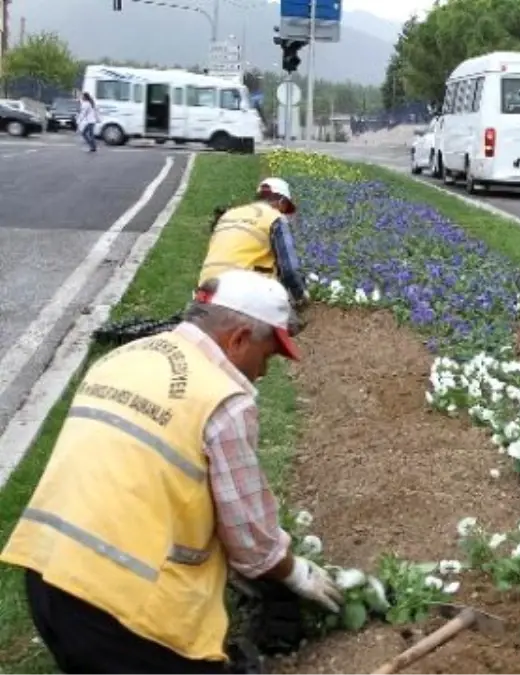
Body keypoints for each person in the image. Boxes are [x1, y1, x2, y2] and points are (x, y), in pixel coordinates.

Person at [0, 270, 343, 675]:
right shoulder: (221, 398)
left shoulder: (122, 358)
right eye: (266, 356)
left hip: (45, 583)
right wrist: (298, 574)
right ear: (238, 340)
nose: (263, 372)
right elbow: (252, 540)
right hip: (122, 616)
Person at [199, 177, 307, 305]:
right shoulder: (274, 217)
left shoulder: (230, 214)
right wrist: (300, 294)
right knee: (285, 319)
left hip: (206, 286)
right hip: (244, 290)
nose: (284, 213)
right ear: (281, 202)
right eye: (285, 208)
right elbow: (289, 269)